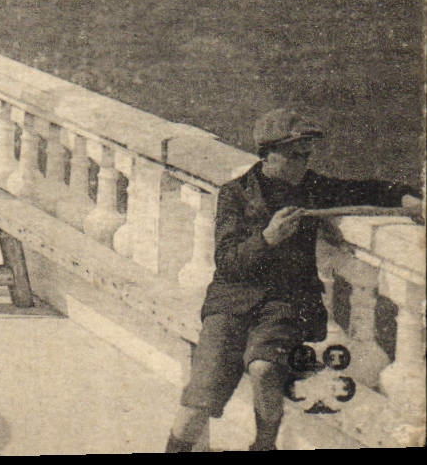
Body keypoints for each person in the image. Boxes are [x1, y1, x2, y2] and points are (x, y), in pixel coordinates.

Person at [165, 110, 421, 452]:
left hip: (285, 305)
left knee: (264, 369)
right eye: (294, 156)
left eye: (306, 156)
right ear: (266, 155)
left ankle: (264, 445)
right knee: (199, 400)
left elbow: (365, 189)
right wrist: (267, 238)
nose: (303, 165)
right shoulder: (234, 194)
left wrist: (407, 199)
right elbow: (227, 263)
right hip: (230, 303)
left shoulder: (311, 188)